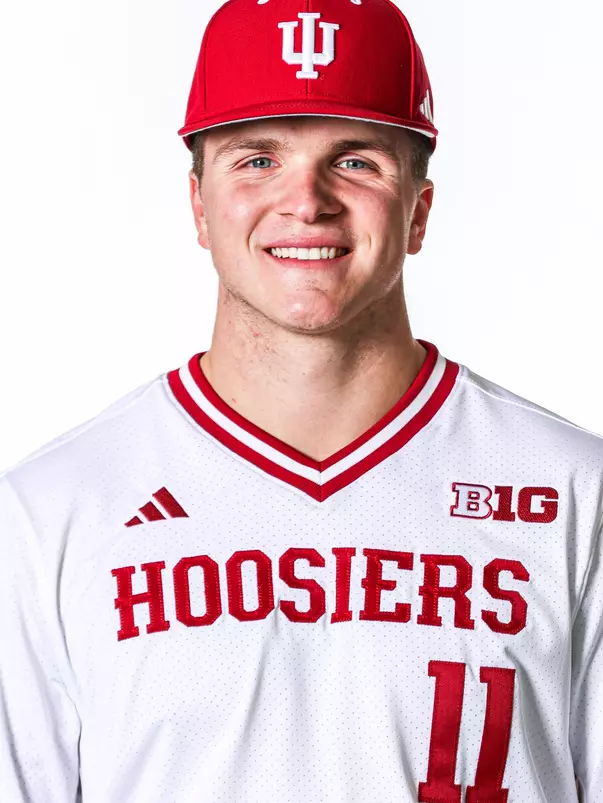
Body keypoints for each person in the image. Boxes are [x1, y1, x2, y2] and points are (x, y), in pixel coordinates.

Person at [0, 0, 600, 800]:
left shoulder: (574, 490)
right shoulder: (51, 511)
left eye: (355, 161)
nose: (306, 201)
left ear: (418, 210)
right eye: (257, 159)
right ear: (199, 206)